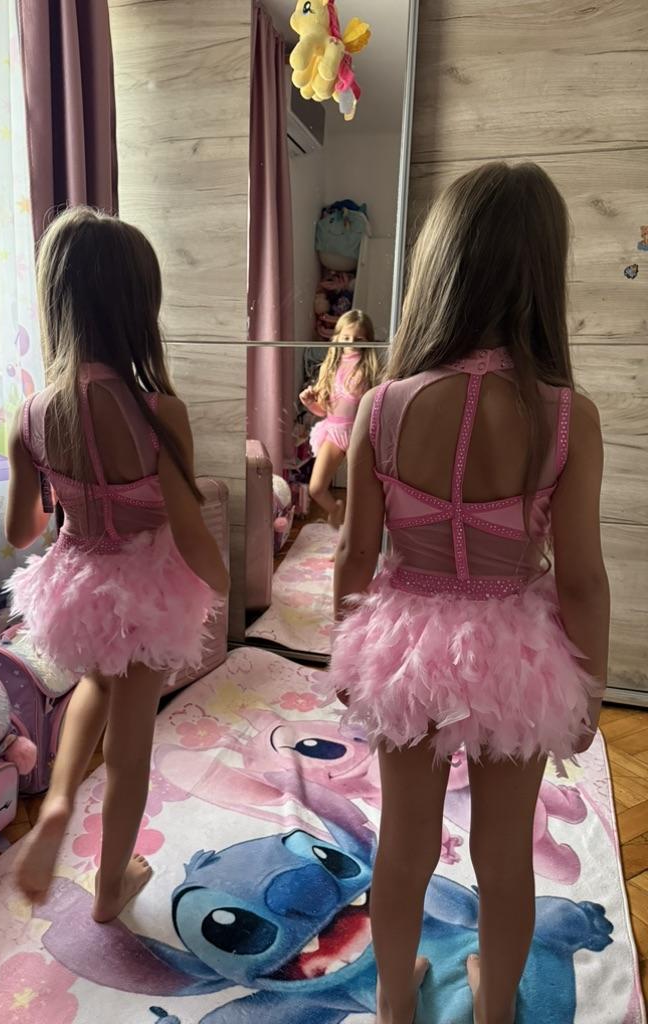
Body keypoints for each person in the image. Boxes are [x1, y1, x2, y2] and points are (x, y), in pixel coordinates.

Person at [327, 163, 609, 1024]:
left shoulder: (381, 406)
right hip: (520, 650)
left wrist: (346, 659)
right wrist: (590, 688)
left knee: (404, 841)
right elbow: (582, 575)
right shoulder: (568, 416)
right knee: (505, 851)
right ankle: (495, 1010)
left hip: (405, 645)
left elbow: (354, 554)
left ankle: (392, 1003)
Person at [5, 207, 229, 923]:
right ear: (138, 307)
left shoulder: (31, 415)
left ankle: (58, 801)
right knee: (132, 746)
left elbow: (21, 531)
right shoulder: (159, 412)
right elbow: (189, 531)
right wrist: (221, 585)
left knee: (93, 684)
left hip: (78, 578)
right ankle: (109, 885)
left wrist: (61, 489)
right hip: (148, 584)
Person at [299, 310, 379, 528]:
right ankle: (335, 509)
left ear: (368, 341)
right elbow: (324, 410)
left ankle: (352, 533)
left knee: (358, 492)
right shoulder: (330, 367)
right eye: (346, 337)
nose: (351, 343)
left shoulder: (369, 369)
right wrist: (309, 403)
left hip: (358, 434)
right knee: (316, 488)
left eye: (358, 339)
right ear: (337, 338)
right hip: (333, 432)